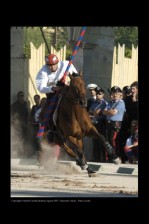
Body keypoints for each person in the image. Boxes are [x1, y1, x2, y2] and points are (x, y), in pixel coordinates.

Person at [35, 54, 78, 140]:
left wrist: (73, 78)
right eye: (49, 65)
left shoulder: (66, 65)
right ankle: (50, 130)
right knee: (48, 111)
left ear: (57, 62)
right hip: (52, 93)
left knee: (79, 100)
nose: (51, 67)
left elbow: (75, 76)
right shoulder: (43, 72)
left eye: (53, 64)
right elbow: (41, 88)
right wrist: (53, 88)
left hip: (66, 89)